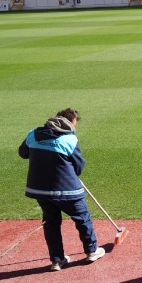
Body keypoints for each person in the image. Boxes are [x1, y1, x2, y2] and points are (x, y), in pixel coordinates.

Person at [18, 108, 105, 271]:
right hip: (68, 189)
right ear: (69, 123)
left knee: (51, 222)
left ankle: (57, 260)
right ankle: (91, 251)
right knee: (82, 218)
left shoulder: (33, 134)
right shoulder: (69, 139)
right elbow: (78, 167)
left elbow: (23, 153)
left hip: (40, 190)